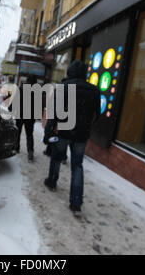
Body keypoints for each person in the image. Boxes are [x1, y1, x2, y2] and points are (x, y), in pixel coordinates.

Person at [43, 61, 100, 216]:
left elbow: (54, 113)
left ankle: (52, 181)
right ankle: (76, 202)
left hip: (63, 132)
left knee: (56, 157)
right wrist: (85, 126)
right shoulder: (94, 91)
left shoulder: (63, 88)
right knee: (77, 166)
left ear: (69, 73)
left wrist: (48, 133)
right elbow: (97, 114)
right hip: (81, 135)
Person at [15, 75, 37, 161]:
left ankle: (16, 148)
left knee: (18, 132)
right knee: (29, 134)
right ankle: (30, 151)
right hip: (30, 117)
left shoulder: (21, 88)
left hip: (20, 115)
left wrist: (10, 108)